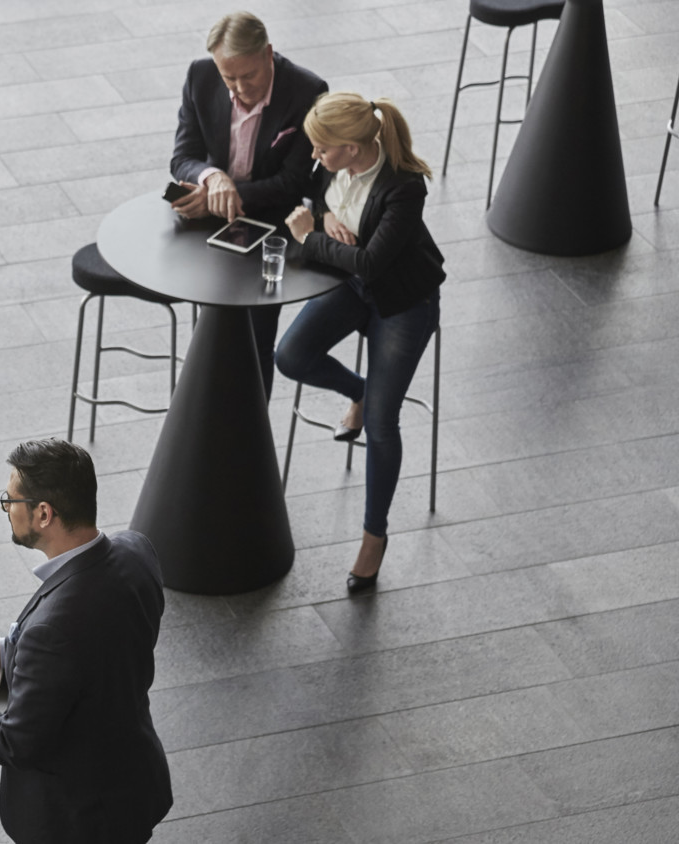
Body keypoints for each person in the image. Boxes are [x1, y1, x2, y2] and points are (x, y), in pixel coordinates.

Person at [0, 439, 172, 843]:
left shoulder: (51, 631)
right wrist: (4, 652)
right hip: (135, 782)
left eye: (11, 500)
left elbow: (16, 743)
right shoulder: (137, 551)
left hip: (78, 819)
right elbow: (96, 651)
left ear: (44, 514)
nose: (7, 509)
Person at [277, 92, 445, 592]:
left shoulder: (403, 187)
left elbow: (372, 261)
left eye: (323, 149)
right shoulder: (329, 165)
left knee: (381, 425)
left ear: (351, 148)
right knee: (291, 355)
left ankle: (374, 537)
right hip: (351, 288)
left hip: (402, 303)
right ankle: (360, 389)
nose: (314, 157)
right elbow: (307, 202)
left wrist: (311, 239)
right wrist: (325, 220)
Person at [170, 11, 328, 398]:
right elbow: (183, 157)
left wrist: (227, 196)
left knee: (257, 337)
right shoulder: (200, 76)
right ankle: (201, 414)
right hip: (209, 220)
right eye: (230, 78)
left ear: (268, 54)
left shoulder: (306, 90)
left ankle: (252, 433)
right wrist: (213, 178)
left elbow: (294, 183)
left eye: (248, 76)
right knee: (210, 327)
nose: (238, 88)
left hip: (270, 222)